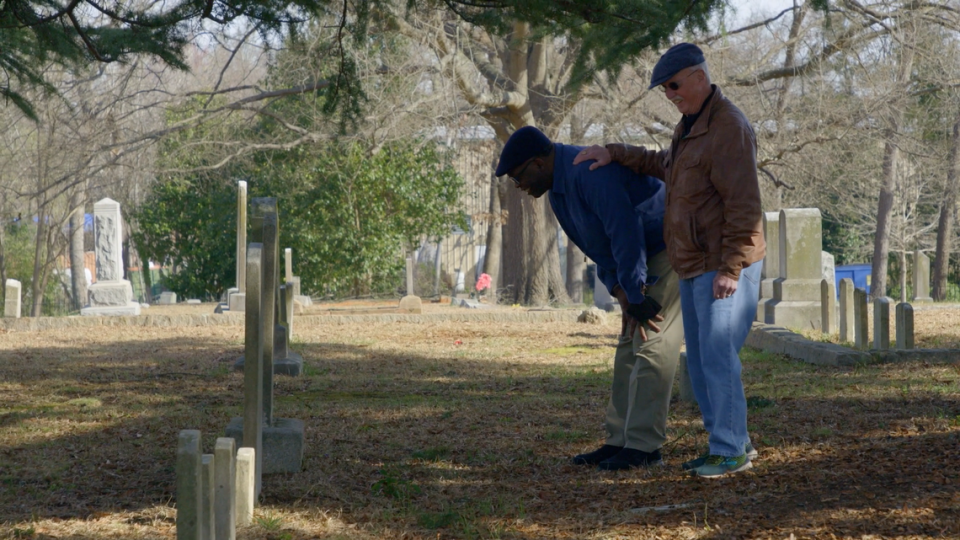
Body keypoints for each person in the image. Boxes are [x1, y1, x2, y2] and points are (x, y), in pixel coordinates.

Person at [574, 43, 765, 478]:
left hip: (723, 266)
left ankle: (730, 448)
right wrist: (615, 152)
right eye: (665, 89)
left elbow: (744, 204)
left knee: (717, 357)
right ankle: (730, 443)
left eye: (675, 85)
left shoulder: (729, 126)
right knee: (699, 361)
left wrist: (732, 268)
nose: (670, 94)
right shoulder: (690, 126)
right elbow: (666, 165)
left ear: (700, 76)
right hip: (695, 265)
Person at [495, 125, 683, 471]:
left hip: (669, 246)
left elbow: (625, 231)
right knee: (628, 344)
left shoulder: (589, 173)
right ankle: (620, 440)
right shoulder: (559, 192)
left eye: (519, 178)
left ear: (537, 162)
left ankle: (644, 447)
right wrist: (620, 291)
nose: (520, 188)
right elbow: (597, 247)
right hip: (636, 260)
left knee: (653, 343)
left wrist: (636, 288)